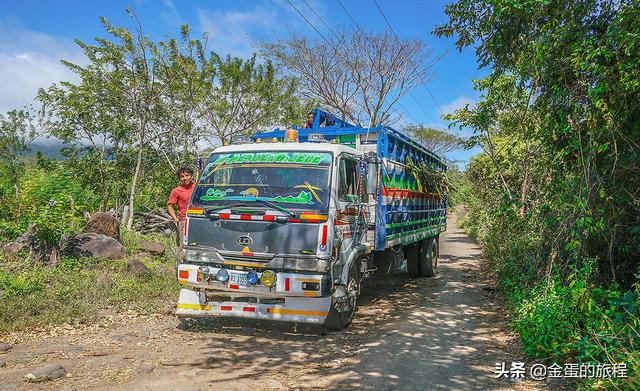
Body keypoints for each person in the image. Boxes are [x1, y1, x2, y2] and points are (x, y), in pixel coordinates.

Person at [167, 166, 195, 248]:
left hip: (197, 218)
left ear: (191, 175)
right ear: (179, 179)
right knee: (182, 245)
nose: (185, 178)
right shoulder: (176, 191)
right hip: (183, 220)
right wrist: (175, 219)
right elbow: (169, 206)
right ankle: (180, 260)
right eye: (182, 177)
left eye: (187, 175)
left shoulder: (198, 187)